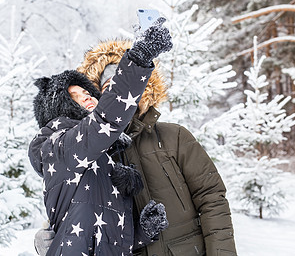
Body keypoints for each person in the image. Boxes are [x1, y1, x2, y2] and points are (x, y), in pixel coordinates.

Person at [35, 38, 238, 256]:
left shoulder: (175, 136)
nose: (118, 92)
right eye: (108, 88)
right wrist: (49, 234)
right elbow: (79, 207)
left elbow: (212, 199)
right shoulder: (96, 154)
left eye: (121, 84)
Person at [28, 19, 173, 255]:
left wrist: (142, 232)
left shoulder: (106, 157)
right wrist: (139, 59)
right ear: (59, 107)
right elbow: (104, 122)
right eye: (74, 96)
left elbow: (103, 237)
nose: (86, 97)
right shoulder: (58, 145)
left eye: (87, 91)